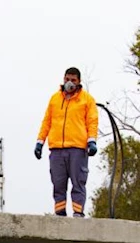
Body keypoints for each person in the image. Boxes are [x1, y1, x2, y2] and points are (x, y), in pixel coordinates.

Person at [34, 67, 99, 218]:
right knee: (58, 182)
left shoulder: (87, 100)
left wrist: (92, 141)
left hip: (77, 148)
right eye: (67, 79)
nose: (69, 82)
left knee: (78, 181)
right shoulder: (55, 99)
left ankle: (78, 212)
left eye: (73, 80)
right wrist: (40, 142)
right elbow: (47, 122)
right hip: (57, 149)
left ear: (79, 81)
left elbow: (92, 121)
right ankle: (60, 212)